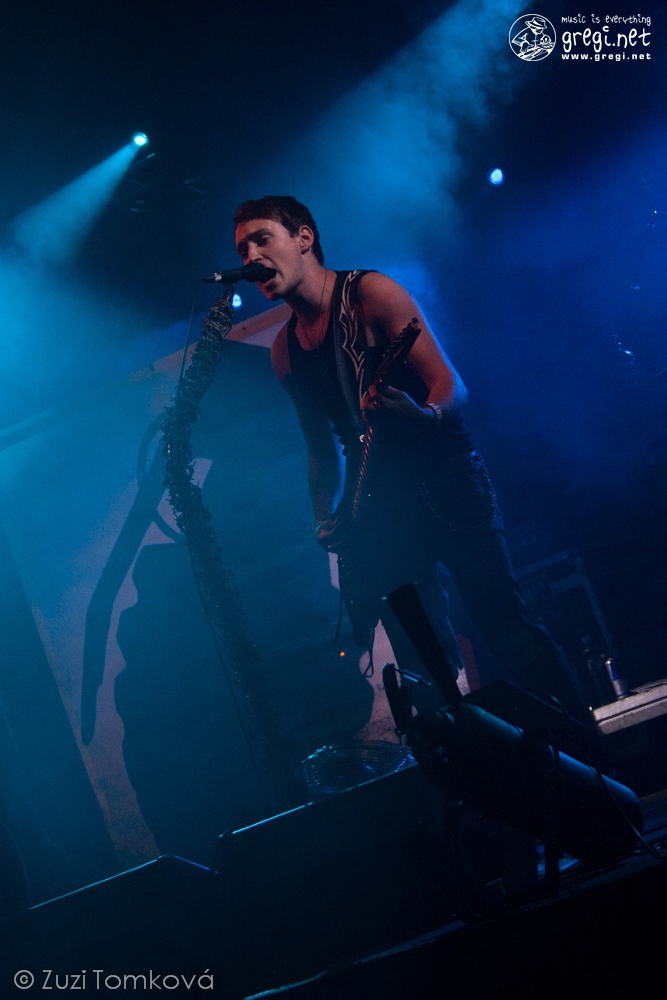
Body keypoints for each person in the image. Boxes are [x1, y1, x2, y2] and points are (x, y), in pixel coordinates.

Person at [232, 195, 594, 734]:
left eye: (262, 239)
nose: (251, 256)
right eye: (242, 249)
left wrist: (424, 416)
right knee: (424, 663)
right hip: (378, 507)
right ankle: (479, 770)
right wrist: (322, 515)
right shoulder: (284, 352)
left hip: (444, 478)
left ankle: (586, 756)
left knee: (505, 625)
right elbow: (320, 449)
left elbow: (450, 384)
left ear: (304, 237)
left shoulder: (371, 293)